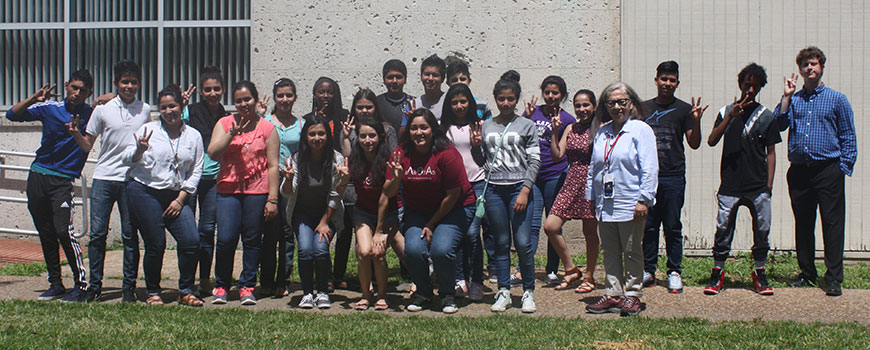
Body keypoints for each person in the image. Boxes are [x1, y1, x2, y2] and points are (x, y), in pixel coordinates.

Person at [775, 46, 857, 297]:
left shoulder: (837, 99)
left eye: (813, 64)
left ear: (821, 67)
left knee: (832, 224)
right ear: (800, 69)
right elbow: (778, 125)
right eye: (805, 65)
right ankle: (807, 272)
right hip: (799, 171)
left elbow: (848, 136)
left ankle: (833, 278)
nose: (809, 68)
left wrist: (843, 167)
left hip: (828, 170)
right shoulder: (794, 99)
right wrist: (786, 97)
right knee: (804, 224)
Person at [6, 70, 94, 302]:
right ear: (67, 86)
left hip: (62, 181)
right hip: (38, 175)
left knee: (63, 230)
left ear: (89, 93)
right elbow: (11, 115)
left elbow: (114, 106)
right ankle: (55, 283)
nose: (77, 93)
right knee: (45, 231)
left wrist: (103, 98)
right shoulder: (50, 108)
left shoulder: (91, 113)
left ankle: (81, 285)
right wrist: (33, 99)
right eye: (74, 87)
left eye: (82, 90)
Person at [67, 61, 150, 303]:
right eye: (125, 82)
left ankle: (128, 288)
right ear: (116, 84)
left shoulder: (144, 110)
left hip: (131, 179)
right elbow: (87, 144)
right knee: (97, 235)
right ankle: (94, 287)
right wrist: (75, 134)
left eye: (134, 81)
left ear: (139, 83)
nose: (130, 86)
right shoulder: (102, 110)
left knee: (129, 235)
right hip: (104, 178)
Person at [384, 108, 476, 314]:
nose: (419, 133)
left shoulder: (447, 153)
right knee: (414, 250)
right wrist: (397, 179)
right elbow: (389, 191)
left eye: (424, 128)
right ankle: (424, 293)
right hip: (418, 210)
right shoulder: (400, 153)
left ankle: (447, 294)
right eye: (414, 128)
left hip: (455, 207)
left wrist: (431, 224)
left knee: (441, 249)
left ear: (433, 130)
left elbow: (454, 194)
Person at [123, 85, 204, 306]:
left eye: (173, 106)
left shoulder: (194, 135)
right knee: (156, 243)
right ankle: (152, 291)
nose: (169, 111)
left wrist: (181, 199)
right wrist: (139, 150)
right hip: (145, 192)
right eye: (164, 107)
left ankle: (186, 291)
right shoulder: (147, 130)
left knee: (191, 240)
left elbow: (196, 169)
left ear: (181, 106)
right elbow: (127, 160)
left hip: (176, 196)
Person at [585, 82, 657, 317]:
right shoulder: (603, 131)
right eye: (612, 103)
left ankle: (633, 295)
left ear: (631, 104)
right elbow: (594, 168)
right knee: (610, 250)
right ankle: (613, 293)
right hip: (605, 203)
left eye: (621, 102)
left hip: (631, 201)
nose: (617, 107)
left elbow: (649, 168)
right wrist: (591, 196)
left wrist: (644, 199)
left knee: (631, 250)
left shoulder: (640, 130)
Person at [705, 63, 777, 296]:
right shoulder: (726, 111)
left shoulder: (766, 116)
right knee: (724, 228)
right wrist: (731, 118)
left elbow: (771, 152)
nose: (750, 90)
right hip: (730, 184)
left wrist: (769, 186)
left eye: (755, 86)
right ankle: (718, 272)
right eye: (747, 85)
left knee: (762, 228)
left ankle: (759, 271)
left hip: (757, 185)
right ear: (740, 83)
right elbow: (712, 140)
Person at [207, 80, 280, 305]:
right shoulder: (224, 122)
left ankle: (247, 286)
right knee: (227, 238)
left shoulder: (267, 128)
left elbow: (273, 165)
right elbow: (213, 154)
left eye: (247, 99)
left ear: (255, 100)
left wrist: (273, 199)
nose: (243, 104)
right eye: (238, 101)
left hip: (257, 191)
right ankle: (221, 285)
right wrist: (231, 134)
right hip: (228, 190)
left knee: (252, 239)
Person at [641, 61, 703, 294]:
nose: (667, 84)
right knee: (648, 226)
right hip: (648, 177)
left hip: (673, 176)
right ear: (656, 80)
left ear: (677, 83)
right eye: (663, 79)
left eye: (672, 80)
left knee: (673, 226)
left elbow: (694, 143)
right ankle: (648, 270)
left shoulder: (684, 110)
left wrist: (696, 121)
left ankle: (674, 271)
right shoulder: (643, 108)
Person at [482, 71, 541, 313]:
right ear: (495, 99)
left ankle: (528, 290)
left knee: (524, 242)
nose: (506, 103)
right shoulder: (486, 125)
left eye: (510, 98)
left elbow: (535, 160)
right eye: (501, 99)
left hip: (519, 188)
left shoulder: (527, 125)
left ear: (517, 99)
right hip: (494, 190)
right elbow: (481, 159)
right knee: (501, 243)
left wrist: (525, 190)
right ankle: (504, 290)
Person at [280, 116, 349, 309]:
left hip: (328, 214)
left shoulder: (336, 159)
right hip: (302, 214)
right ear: (305, 137)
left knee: (320, 249)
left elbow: (337, 195)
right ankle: (308, 293)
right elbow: (287, 192)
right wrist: (287, 179)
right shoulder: (296, 159)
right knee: (305, 249)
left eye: (321, 133)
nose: (317, 138)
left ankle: (323, 292)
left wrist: (325, 221)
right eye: (312, 134)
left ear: (328, 135)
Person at [543, 89, 600, 293]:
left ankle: (590, 276)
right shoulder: (570, 128)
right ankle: (570, 268)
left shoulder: (601, 128)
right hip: (571, 180)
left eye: (586, 105)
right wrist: (555, 131)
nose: (582, 109)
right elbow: (558, 156)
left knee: (589, 231)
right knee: (551, 225)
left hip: (593, 183)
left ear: (594, 106)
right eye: (578, 105)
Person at [522, 75, 576, 287]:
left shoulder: (568, 120)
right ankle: (524, 268)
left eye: (555, 92)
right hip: (532, 175)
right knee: (532, 224)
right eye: (547, 92)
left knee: (552, 225)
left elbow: (562, 152)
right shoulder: (532, 113)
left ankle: (552, 269)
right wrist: (525, 118)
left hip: (555, 175)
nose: (551, 96)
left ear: (562, 95)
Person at [301, 77, 354, 290]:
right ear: (314, 94)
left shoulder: (344, 117)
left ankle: (339, 272)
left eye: (330, 92)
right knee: (321, 232)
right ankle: (324, 274)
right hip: (317, 180)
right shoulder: (307, 119)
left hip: (341, 176)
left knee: (344, 226)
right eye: (321, 92)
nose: (325, 96)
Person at [181, 65, 228, 297]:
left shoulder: (227, 116)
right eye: (207, 89)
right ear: (201, 91)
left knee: (207, 230)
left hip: (213, 180)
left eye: (216, 89)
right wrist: (180, 107)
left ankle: (204, 280)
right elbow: (173, 128)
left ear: (223, 90)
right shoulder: (189, 112)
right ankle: (186, 280)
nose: (212, 93)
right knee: (188, 231)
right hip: (190, 178)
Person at [439, 83, 485, 301]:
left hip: (476, 184)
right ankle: (460, 279)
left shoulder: (480, 126)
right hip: (452, 187)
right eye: (454, 102)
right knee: (456, 234)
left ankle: (477, 280)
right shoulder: (441, 128)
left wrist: (477, 146)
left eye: (463, 101)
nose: (459, 106)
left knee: (472, 235)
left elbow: (485, 161)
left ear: (470, 103)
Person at [349, 118, 399, 310]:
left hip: (385, 214)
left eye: (372, 135)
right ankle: (364, 294)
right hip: (363, 213)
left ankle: (381, 295)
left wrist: (379, 230)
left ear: (380, 137)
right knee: (363, 252)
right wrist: (343, 181)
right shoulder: (354, 159)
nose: (368, 140)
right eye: (363, 136)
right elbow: (340, 188)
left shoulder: (388, 161)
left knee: (378, 253)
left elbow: (385, 198)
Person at [259, 78, 302, 298]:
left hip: (291, 186)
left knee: (287, 233)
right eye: (280, 95)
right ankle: (265, 279)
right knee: (268, 234)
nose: (285, 100)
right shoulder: (264, 121)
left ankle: (283, 280)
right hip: (266, 185)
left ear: (295, 97)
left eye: (289, 95)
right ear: (275, 97)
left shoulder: (301, 125)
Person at [401, 54, 446, 133]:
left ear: (442, 79)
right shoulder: (412, 106)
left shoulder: (450, 102)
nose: (430, 78)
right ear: (421, 77)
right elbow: (401, 136)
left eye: (435, 75)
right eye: (427, 74)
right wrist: (411, 121)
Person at [376, 59, 414, 132]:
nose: (394, 81)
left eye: (399, 77)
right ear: (384, 80)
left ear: (405, 79)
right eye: (390, 77)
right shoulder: (376, 103)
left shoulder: (413, 103)